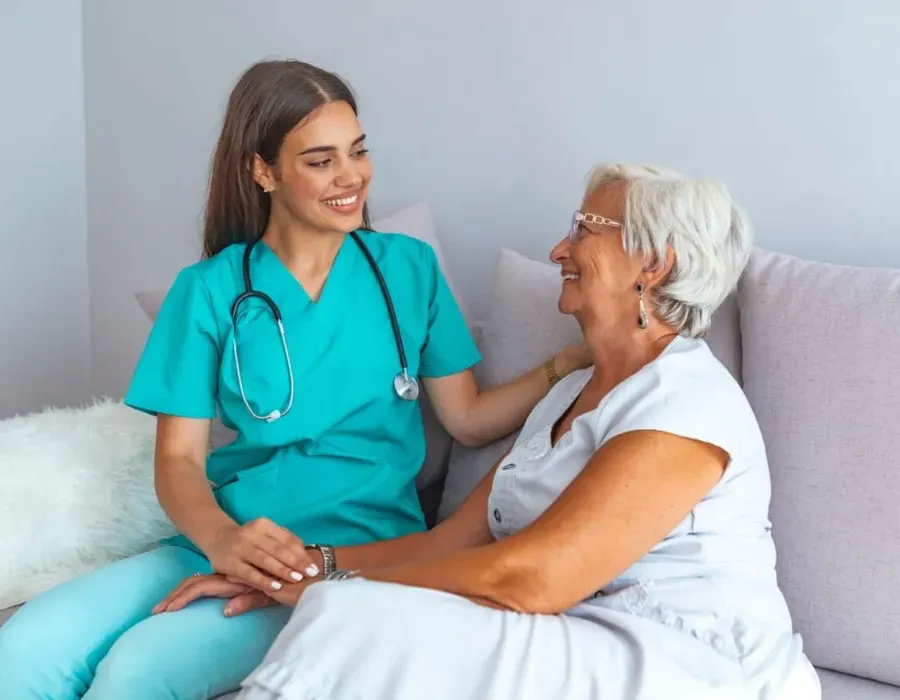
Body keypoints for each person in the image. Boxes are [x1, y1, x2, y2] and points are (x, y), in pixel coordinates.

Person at [0, 60, 590, 700]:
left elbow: (469, 418)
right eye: (320, 160)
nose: (352, 177)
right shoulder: (208, 290)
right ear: (263, 170)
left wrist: (569, 362)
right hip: (228, 536)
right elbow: (177, 459)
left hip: (352, 553)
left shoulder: (407, 270)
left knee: (138, 671)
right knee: (24, 649)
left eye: (358, 152)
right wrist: (222, 539)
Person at [159, 164, 823, 700]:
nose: (559, 249)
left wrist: (328, 589)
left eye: (584, 228)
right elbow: (449, 542)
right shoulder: (568, 396)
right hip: (579, 636)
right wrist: (301, 569)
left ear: (653, 263)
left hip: (692, 667)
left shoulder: (687, 402)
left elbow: (535, 580)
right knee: (347, 618)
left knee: (345, 617)